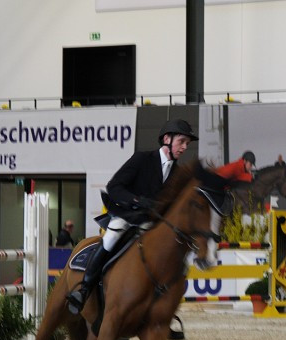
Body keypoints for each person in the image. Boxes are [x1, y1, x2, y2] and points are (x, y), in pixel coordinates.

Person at [65, 118, 199, 314]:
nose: (184, 147)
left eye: (187, 143)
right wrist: (137, 200)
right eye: (182, 142)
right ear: (167, 139)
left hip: (151, 224)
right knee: (110, 239)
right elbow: (114, 187)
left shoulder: (177, 173)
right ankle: (83, 291)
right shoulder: (142, 159)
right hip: (128, 216)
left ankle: (162, 309)